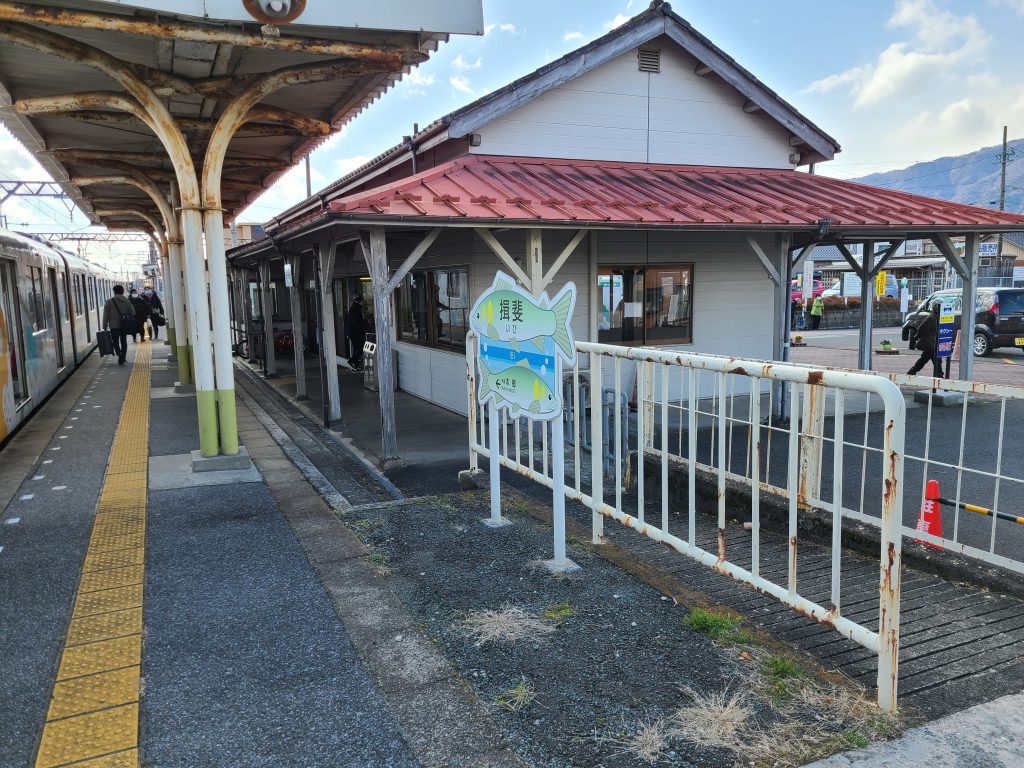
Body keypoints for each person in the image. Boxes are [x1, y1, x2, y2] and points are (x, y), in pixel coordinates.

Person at [102, 285, 136, 365]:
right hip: (124, 325)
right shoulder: (127, 301)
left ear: (114, 291)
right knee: (123, 341)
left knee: (115, 341)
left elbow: (106, 315)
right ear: (123, 291)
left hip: (114, 325)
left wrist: (104, 326)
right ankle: (123, 357)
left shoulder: (109, 301)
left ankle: (119, 353)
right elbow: (133, 312)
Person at [907, 302, 943, 377]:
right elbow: (921, 328)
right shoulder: (932, 318)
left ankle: (912, 371)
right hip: (929, 343)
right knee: (936, 360)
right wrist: (916, 337)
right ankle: (939, 375)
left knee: (925, 359)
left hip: (932, 343)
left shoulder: (936, 317)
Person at [346, 293, 367, 370]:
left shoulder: (354, 308)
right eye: (362, 301)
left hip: (352, 332)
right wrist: (366, 322)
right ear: (359, 301)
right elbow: (357, 321)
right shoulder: (356, 309)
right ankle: (352, 361)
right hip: (356, 332)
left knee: (356, 348)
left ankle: (356, 365)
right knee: (361, 348)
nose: (363, 302)